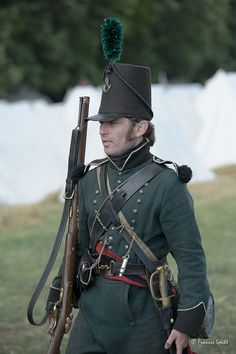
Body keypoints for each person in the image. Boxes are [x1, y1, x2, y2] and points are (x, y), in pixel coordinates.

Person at [47, 20, 210, 354]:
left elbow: (191, 260)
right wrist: (59, 298)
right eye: (101, 123)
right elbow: (76, 247)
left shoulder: (168, 185)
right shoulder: (91, 177)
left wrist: (185, 323)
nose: (102, 131)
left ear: (140, 127)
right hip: (91, 314)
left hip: (143, 317)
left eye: (113, 123)